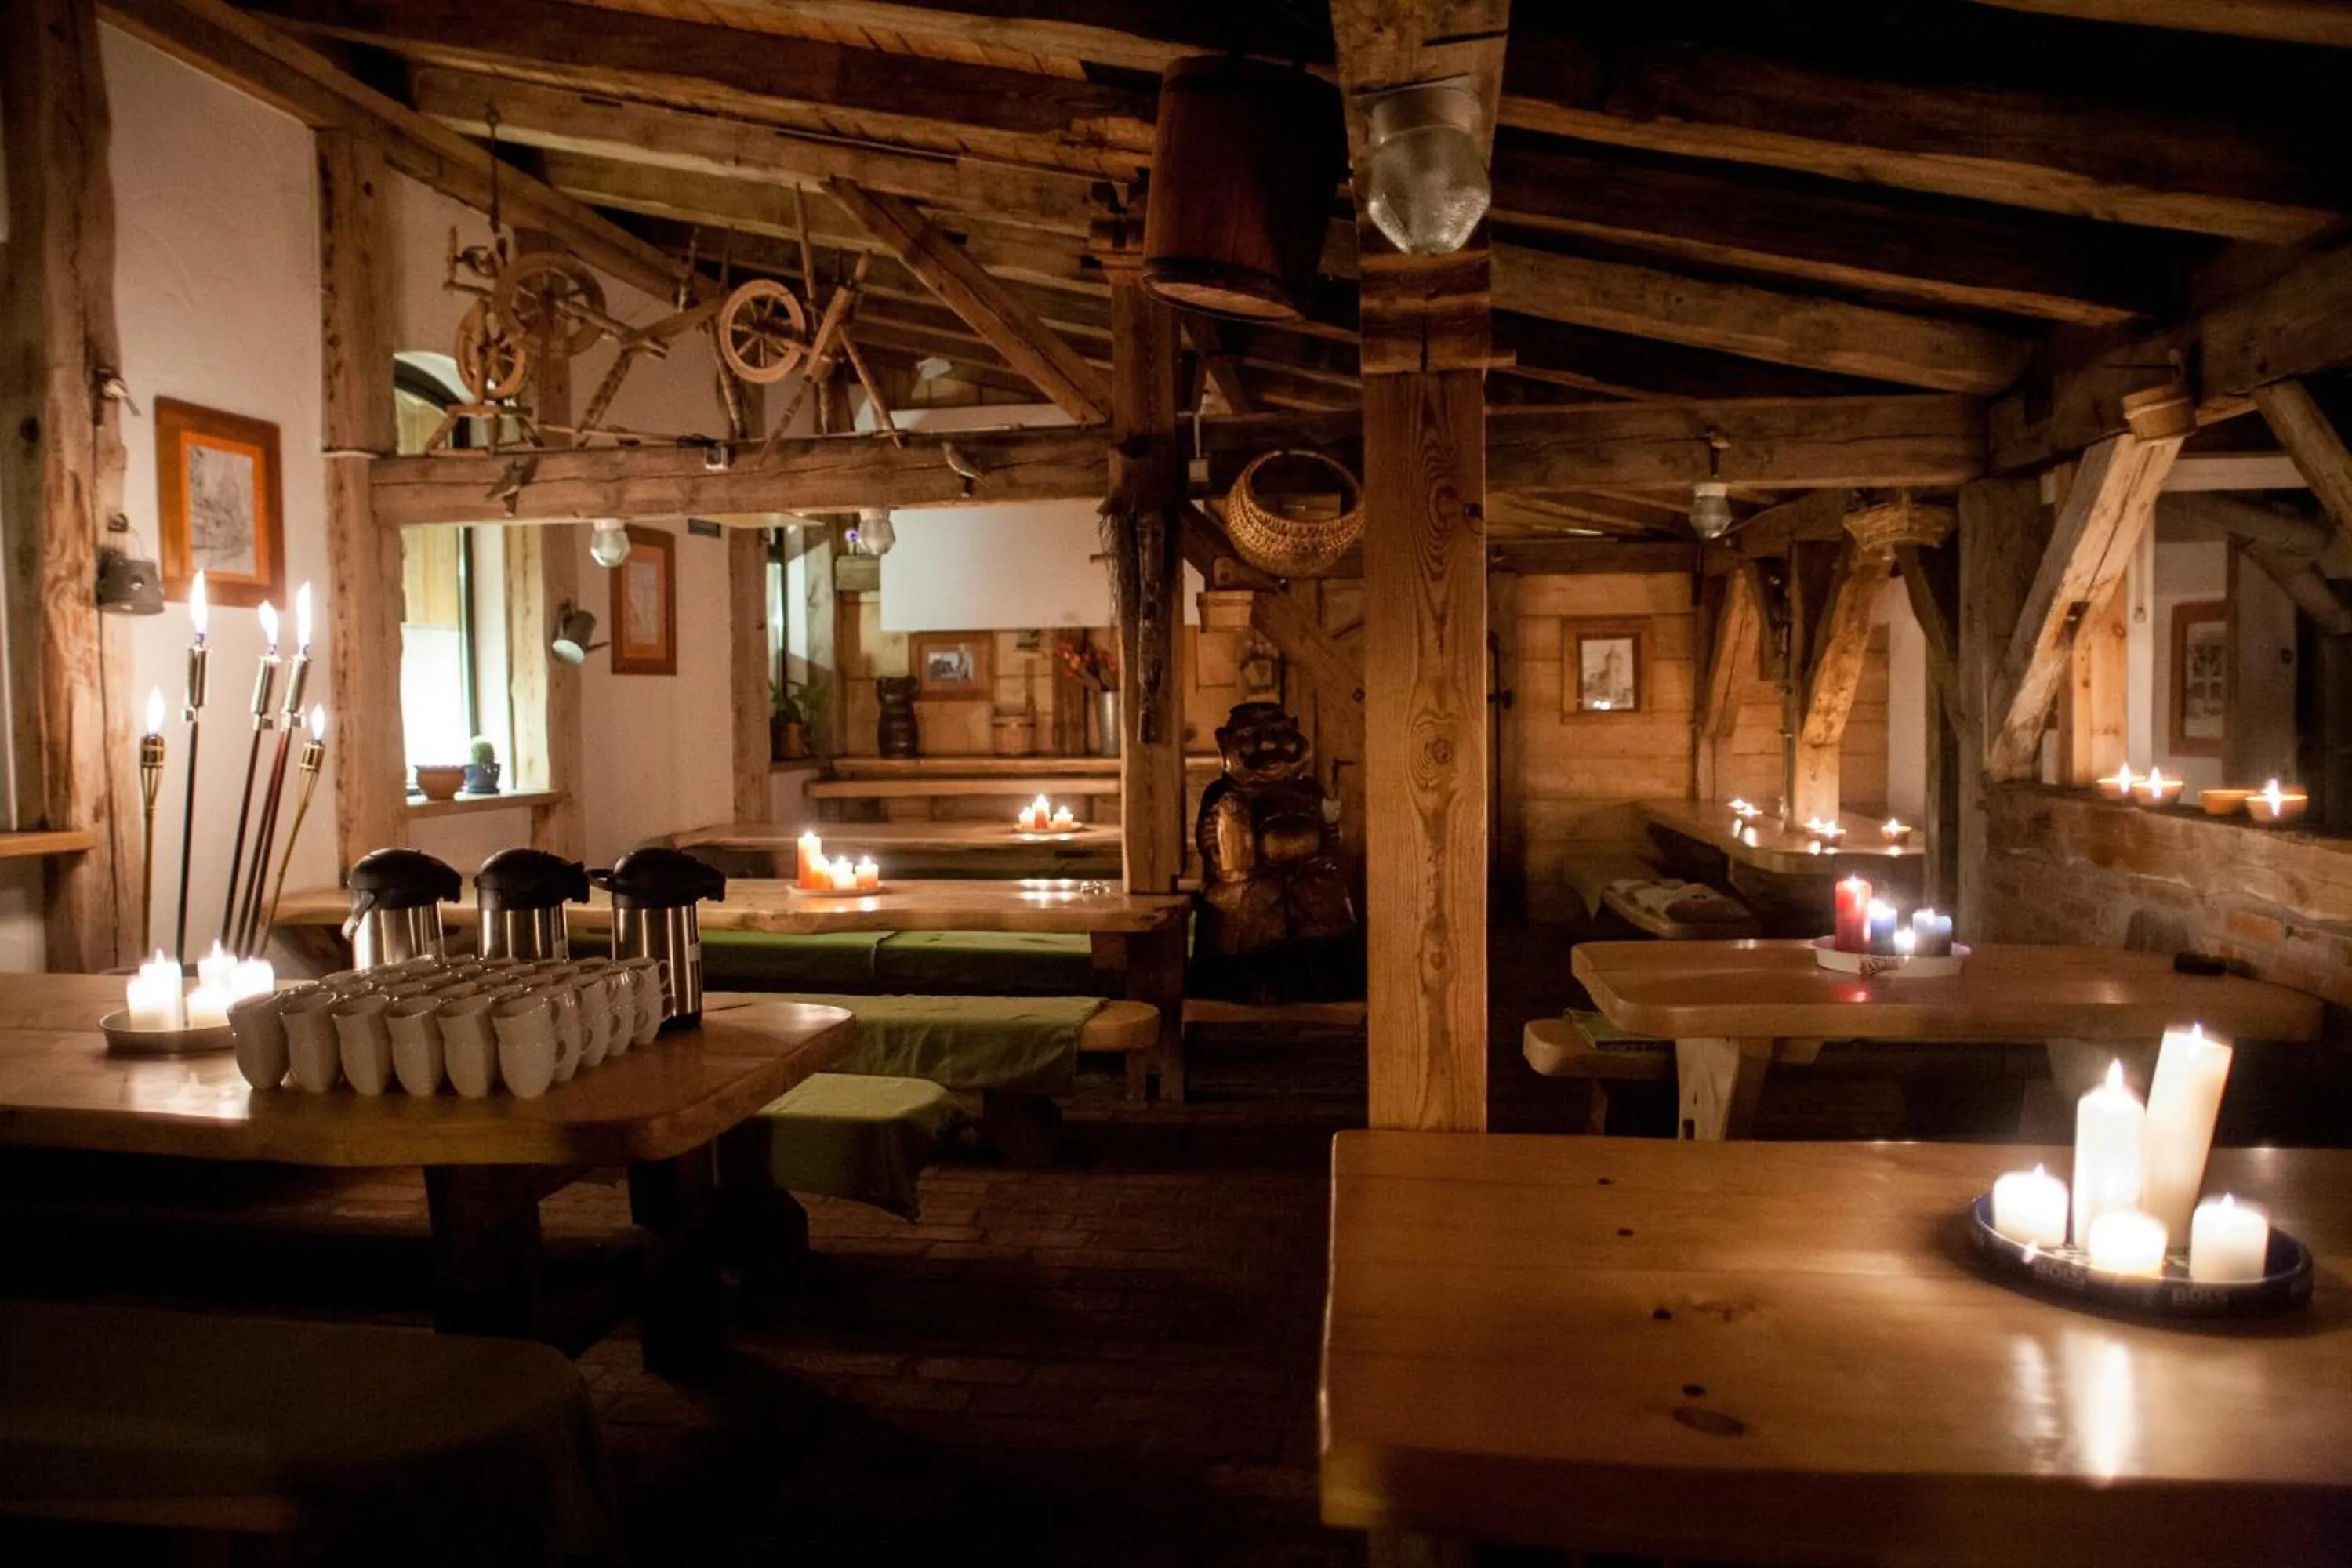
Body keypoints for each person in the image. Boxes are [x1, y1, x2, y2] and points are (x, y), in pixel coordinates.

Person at [1193, 702, 1361, 1002]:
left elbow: (1327, 839)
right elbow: (1219, 853)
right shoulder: (1224, 794)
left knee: (1329, 902)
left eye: (1279, 734)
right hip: (1250, 888)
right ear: (1225, 741)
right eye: (1251, 736)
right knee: (1243, 913)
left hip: (1309, 885)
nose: (1268, 745)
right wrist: (1216, 841)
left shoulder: (1307, 789)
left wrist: (1327, 834)